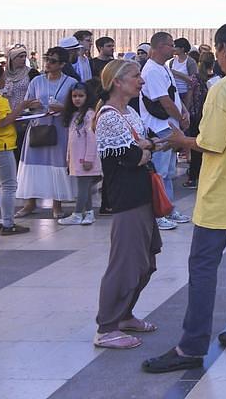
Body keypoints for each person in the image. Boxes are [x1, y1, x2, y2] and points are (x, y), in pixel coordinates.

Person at [142, 21, 226, 372]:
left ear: (224, 49)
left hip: (221, 196)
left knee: (203, 268)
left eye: (217, 50)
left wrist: (179, 141)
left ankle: (191, 346)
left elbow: (208, 143)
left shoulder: (224, 89)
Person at [92, 59, 163, 350]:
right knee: (126, 264)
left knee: (147, 261)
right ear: (118, 82)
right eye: (136, 76)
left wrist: (145, 148)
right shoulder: (109, 117)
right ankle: (107, 326)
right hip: (127, 199)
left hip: (142, 194)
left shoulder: (130, 112)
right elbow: (135, 156)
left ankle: (124, 315)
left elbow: (150, 144)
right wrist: (143, 150)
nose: (141, 80)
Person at [15, 46, 77, 219]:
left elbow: (76, 107)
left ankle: (57, 204)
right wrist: (31, 105)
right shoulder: (37, 81)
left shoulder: (70, 82)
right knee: (33, 164)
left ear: (62, 64)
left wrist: (63, 108)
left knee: (56, 164)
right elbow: (27, 103)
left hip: (59, 127)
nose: (48, 63)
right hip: (38, 126)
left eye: (53, 61)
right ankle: (30, 203)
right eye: (47, 59)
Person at [140, 33, 190, 230]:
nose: (174, 49)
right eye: (171, 45)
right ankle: (157, 212)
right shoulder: (152, 70)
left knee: (168, 172)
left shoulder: (164, 68)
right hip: (159, 127)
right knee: (159, 173)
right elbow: (164, 101)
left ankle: (167, 208)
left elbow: (174, 95)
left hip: (170, 127)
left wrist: (183, 112)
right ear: (160, 46)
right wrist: (180, 118)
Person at [0, 64, 34, 236]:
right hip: (2, 145)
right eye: (3, 78)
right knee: (9, 185)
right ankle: (8, 224)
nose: (5, 81)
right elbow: (3, 122)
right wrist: (20, 108)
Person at [58, 82, 102, 225]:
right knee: (85, 188)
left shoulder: (89, 115)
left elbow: (92, 139)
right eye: (74, 96)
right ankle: (89, 213)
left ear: (87, 97)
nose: (77, 99)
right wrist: (68, 158)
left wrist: (89, 158)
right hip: (77, 160)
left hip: (86, 161)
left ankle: (77, 214)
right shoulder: (74, 115)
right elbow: (72, 140)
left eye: (81, 96)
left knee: (83, 188)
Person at [184, 51, 215, 189]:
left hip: (196, 116)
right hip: (210, 116)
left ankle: (192, 178)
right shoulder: (217, 77)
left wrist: (185, 112)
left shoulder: (195, 78)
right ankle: (206, 177)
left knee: (195, 147)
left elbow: (190, 98)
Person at [2, 44, 34, 163]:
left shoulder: (31, 73)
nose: (22, 59)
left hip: (25, 115)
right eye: (19, 56)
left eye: (24, 56)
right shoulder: (4, 74)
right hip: (8, 115)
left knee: (22, 145)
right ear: (12, 59)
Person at [167, 38, 198, 112]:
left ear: (182, 49)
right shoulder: (172, 62)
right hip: (175, 93)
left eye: (175, 46)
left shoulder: (190, 62)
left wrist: (175, 72)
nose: (173, 48)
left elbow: (194, 80)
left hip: (186, 93)